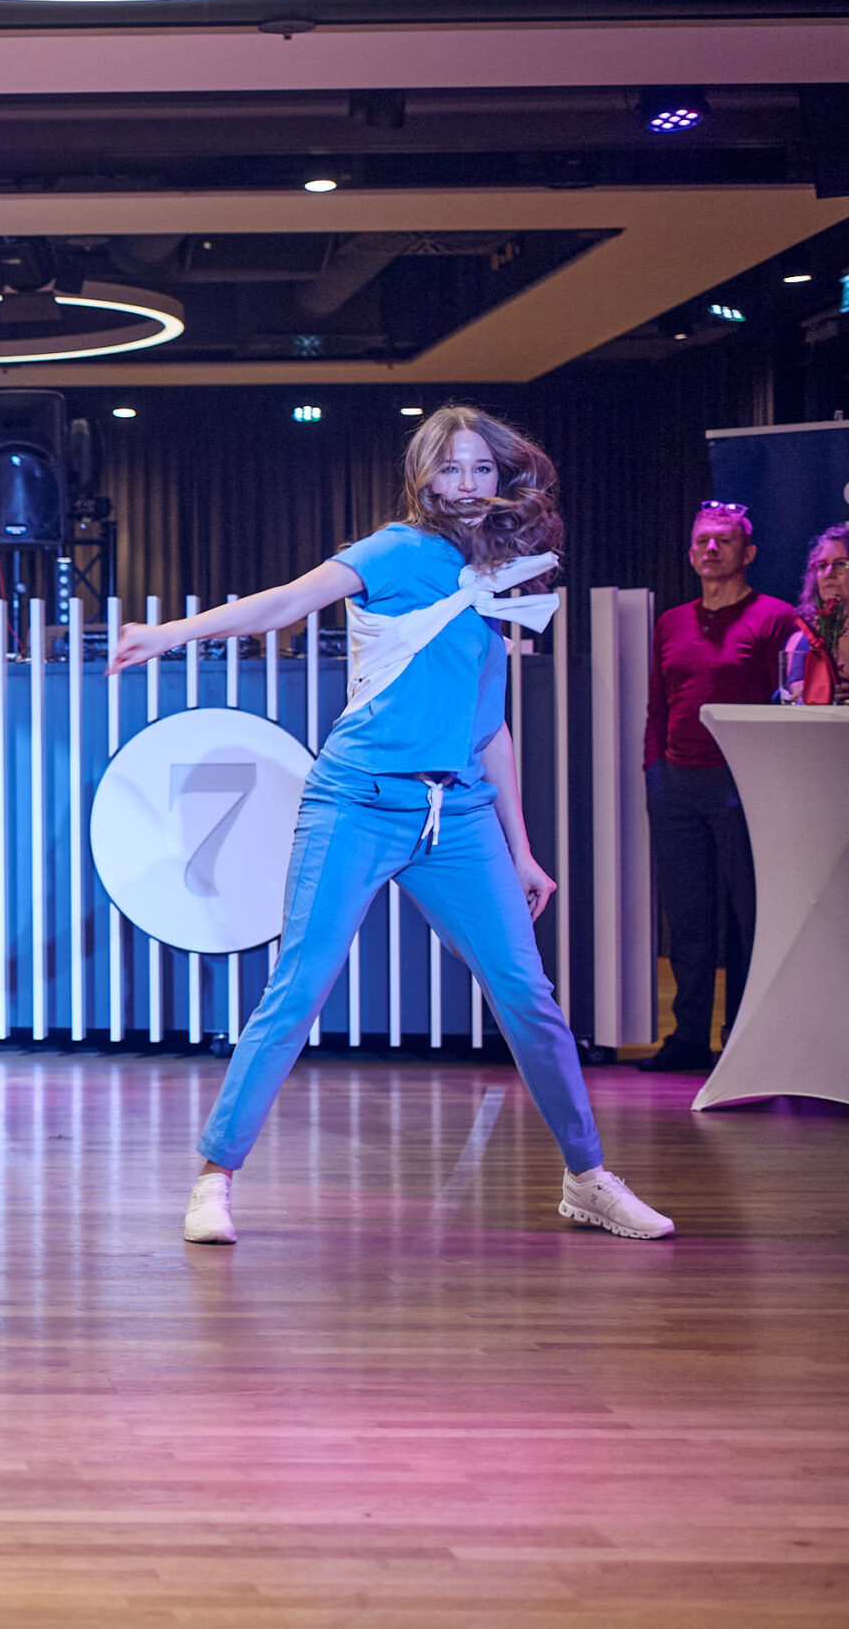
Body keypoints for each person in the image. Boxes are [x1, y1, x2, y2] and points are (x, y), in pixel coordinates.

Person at [109, 404, 674, 1244]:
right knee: (299, 988)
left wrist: (521, 850)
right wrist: (169, 633)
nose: (468, 483)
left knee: (529, 996)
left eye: (482, 467)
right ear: (423, 477)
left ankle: (588, 1178)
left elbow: (489, 727)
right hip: (358, 799)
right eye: (451, 467)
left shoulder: (494, 577)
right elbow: (287, 602)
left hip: (459, 814)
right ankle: (214, 1178)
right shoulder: (396, 551)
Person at [640, 501, 797, 1071]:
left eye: (723, 541)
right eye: (703, 541)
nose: (711, 549)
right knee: (688, 919)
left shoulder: (776, 617)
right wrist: (654, 768)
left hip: (743, 786)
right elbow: (659, 703)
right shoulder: (671, 622)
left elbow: (790, 701)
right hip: (677, 782)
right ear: (690, 554)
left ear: (747, 552)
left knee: (749, 916)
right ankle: (687, 1038)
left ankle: (743, 1042)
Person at [778, 521, 848, 706]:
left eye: (841, 564)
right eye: (822, 565)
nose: (829, 573)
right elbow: (792, 702)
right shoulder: (801, 641)